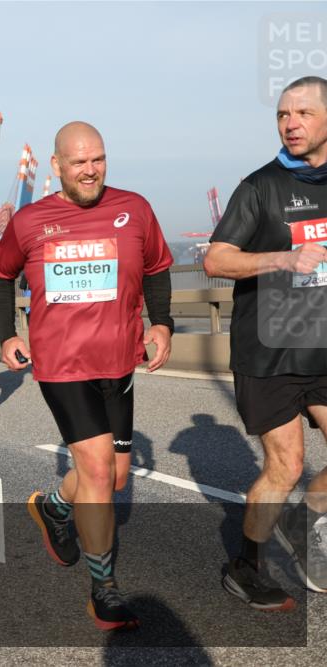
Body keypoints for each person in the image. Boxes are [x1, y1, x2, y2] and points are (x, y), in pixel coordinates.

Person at [0, 121, 174, 631]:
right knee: (96, 472)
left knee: (114, 477)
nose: (90, 169)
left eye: (98, 159)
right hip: (62, 365)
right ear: (57, 167)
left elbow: (159, 266)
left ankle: (52, 507)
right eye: (78, 162)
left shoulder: (134, 208)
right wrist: (8, 333)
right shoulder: (29, 221)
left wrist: (162, 322)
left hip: (120, 362)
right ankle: (104, 590)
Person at [204, 76, 327, 608]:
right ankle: (245, 565)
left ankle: (305, 521)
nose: (290, 123)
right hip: (269, 351)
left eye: (302, 113)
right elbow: (214, 259)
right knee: (286, 466)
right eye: (282, 115)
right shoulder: (261, 186)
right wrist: (281, 259)